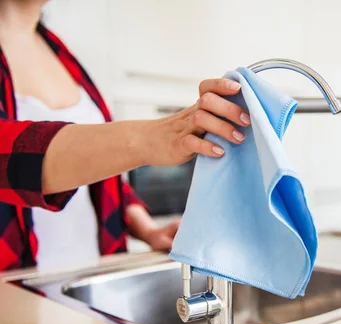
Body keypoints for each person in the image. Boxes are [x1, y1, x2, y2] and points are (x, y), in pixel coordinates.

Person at [0, 0, 249, 270]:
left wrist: (147, 229)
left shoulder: (59, 51)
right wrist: (146, 139)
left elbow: (97, 173)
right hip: (14, 290)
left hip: (83, 276)